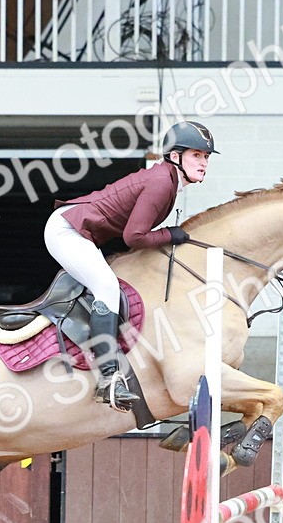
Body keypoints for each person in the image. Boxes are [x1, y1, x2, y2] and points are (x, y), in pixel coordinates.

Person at [45, 120, 217, 411]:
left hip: (78, 230)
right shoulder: (162, 182)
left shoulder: (168, 180)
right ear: (175, 157)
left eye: (206, 157)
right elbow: (134, 236)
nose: (203, 163)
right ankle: (109, 379)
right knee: (107, 287)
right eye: (196, 155)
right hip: (66, 230)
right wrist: (169, 235)